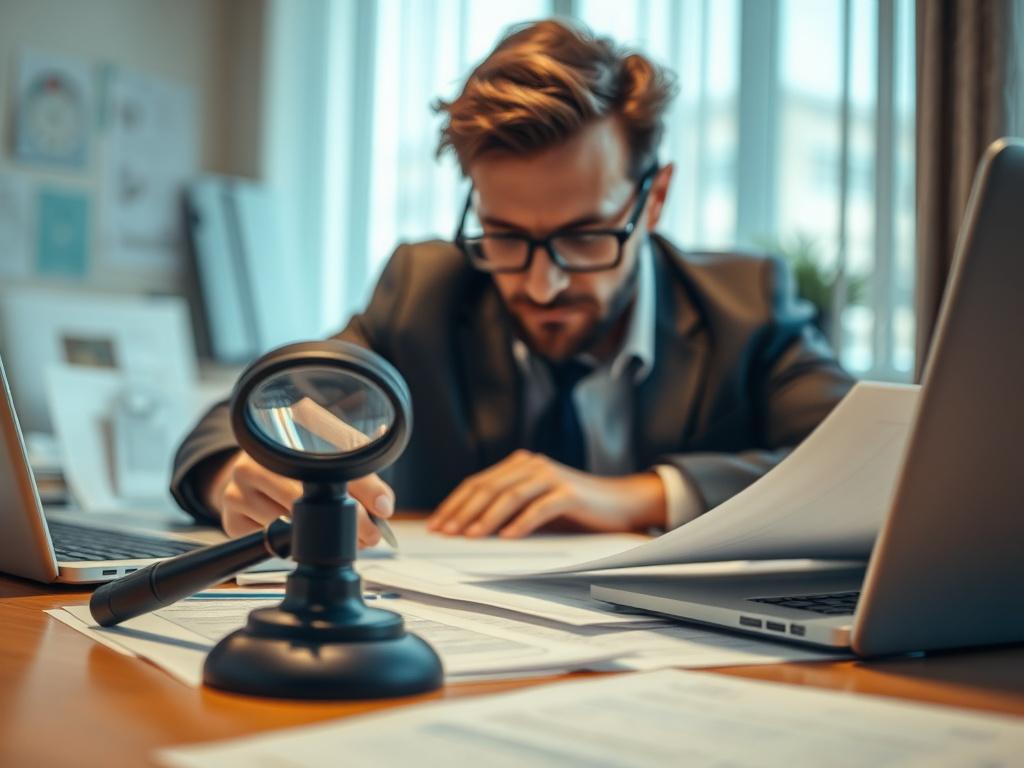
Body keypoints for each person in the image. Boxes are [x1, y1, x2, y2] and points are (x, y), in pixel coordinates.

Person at [171, 19, 853, 547]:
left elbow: (880, 465)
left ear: (654, 198)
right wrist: (244, 474)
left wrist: (640, 495)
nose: (542, 284)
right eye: (506, 237)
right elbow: (242, 420)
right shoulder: (426, 292)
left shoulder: (747, 305)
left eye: (585, 237)